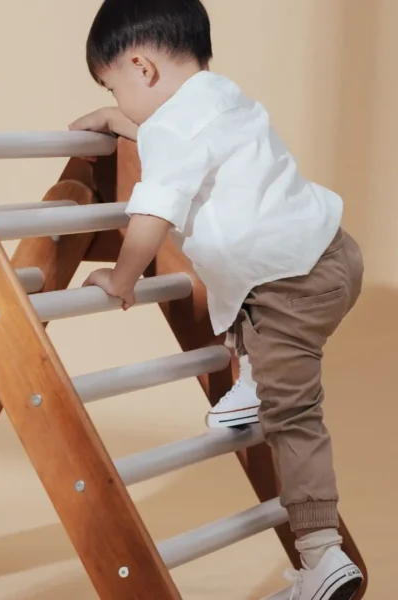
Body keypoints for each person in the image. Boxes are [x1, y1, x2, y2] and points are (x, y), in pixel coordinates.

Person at [68, 1, 365, 598]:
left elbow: (153, 211)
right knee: (246, 301)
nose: (118, 100)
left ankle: (320, 556)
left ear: (141, 67)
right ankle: (256, 377)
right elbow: (182, 137)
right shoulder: (219, 97)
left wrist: (122, 278)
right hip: (330, 256)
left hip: (290, 287)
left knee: (294, 416)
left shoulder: (172, 131)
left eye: (114, 86)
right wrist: (125, 122)